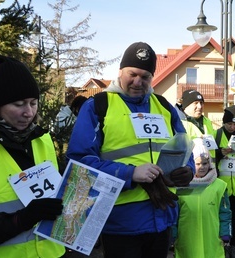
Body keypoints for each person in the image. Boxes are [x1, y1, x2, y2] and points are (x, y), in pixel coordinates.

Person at [66, 42, 195, 258]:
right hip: (121, 221)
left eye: (145, 76)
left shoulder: (164, 106)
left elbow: (184, 148)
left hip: (162, 217)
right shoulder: (99, 106)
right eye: (132, 74)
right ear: (120, 72)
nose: (138, 81)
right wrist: (130, 174)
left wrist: (187, 171)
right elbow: (79, 162)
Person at [0, 54, 65, 256]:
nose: (29, 112)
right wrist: (21, 219)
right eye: (19, 104)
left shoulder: (43, 139)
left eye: (33, 103)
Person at [173, 140, 232, 258]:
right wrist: (173, 234)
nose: (202, 167)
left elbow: (225, 212)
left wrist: (225, 232)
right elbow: (175, 213)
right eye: (198, 163)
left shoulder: (219, 185)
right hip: (187, 237)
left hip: (211, 236)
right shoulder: (181, 186)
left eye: (205, 163)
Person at [215, 105, 235, 258]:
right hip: (222, 184)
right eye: (229, 124)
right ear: (224, 122)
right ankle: (221, 244)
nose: (233, 127)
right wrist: (220, 152)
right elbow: (210, 157)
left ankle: (233, 246)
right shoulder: (217, 135)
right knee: (221, 215)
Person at [180, 89, 217, 164]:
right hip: (191, 169)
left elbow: (212, 148)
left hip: (210, 169)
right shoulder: (180, 122)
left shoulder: (207, 121)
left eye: (201, 103)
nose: (200, 106)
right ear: (186, 106)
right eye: (195, 103)